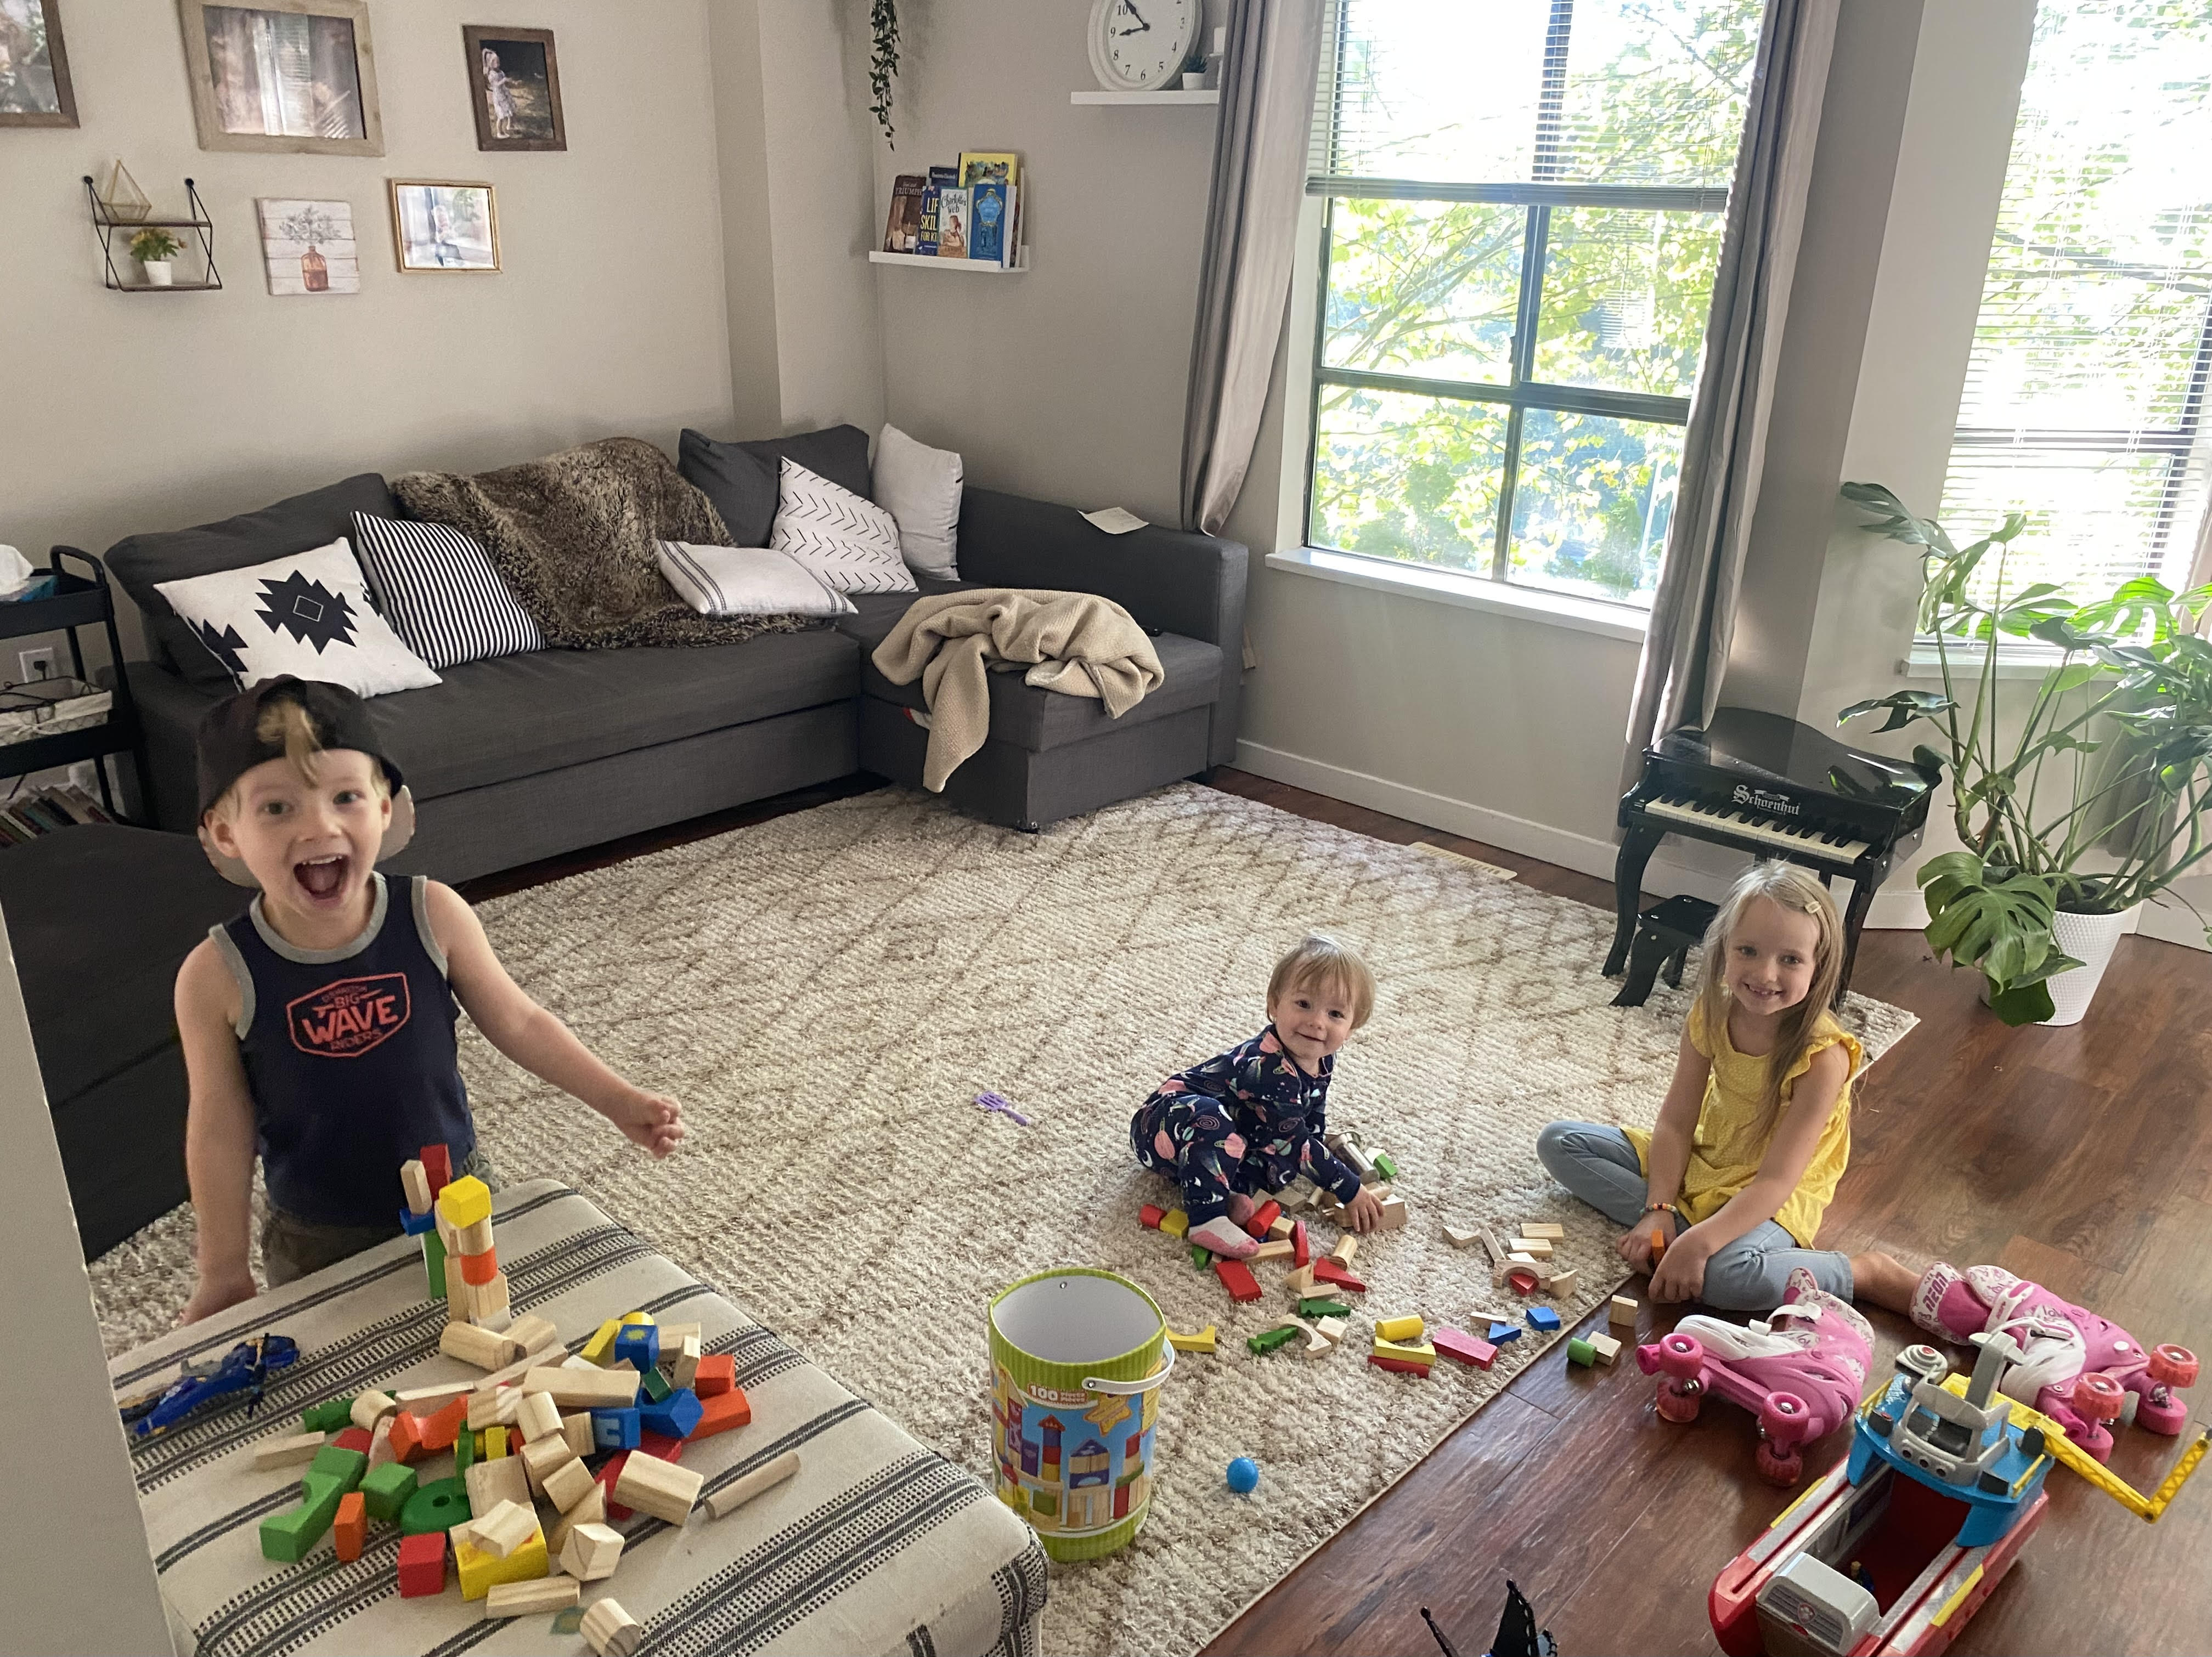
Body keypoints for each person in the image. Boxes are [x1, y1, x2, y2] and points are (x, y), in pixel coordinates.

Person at [174, 677, 683, 1322]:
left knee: (488, 1348)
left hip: (458, 1199)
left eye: (347, 797)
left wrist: (619, 1100)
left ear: (386, 808)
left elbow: (521, 1022)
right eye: (278, 809)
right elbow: (218, 1126)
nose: (319, 825)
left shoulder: (433, 913)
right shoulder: (216, 974)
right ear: (225, 834)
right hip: (317, 1234)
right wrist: (222, 1269)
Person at [1537, 862, 1916, 1313]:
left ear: (1819, 966)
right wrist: (1658, 1208)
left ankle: (1860, 1272)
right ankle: (1684, 1228)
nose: (1765, 974)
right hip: (1707, 1156)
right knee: (1559, 1142)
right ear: (1724, 949)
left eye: (1790, 959)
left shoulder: (1823, 1056)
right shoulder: (1712, 1011)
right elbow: (1676, 1123)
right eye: (1749, 950)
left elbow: (1778, 1180)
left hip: (1774, 1191)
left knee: (1726, 1280)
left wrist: (1697, 1246)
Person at [1130, 934, 1384, 1259]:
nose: (1317, 1022)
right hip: (1164, 1124)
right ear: (1274, 1004)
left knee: (1273, 1164)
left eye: (1335, 1014)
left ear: (1352, 1026)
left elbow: (1311, 1113)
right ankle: (1205, 1219)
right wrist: (1348, 1187)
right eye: (1303, 1004)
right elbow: (1295, 1144)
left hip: (1229, 1126)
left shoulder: (1322, 1056)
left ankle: (1225, 1194)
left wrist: (1320, 1147)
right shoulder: (1271, 1069)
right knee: (1232, 1131)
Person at [482, 47, 515, 139]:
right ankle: (499, 132)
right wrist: (503, 81)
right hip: (499, 96)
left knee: (510, 109)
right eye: (494, 62)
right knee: (501, 115)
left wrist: (509, 81)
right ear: (490, 64)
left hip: (504, 93)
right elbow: (495, 85)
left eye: (498, 61)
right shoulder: (491, 74)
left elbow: (504, 80)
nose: (497, 64)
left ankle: (510, 125)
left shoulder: (500, 72)